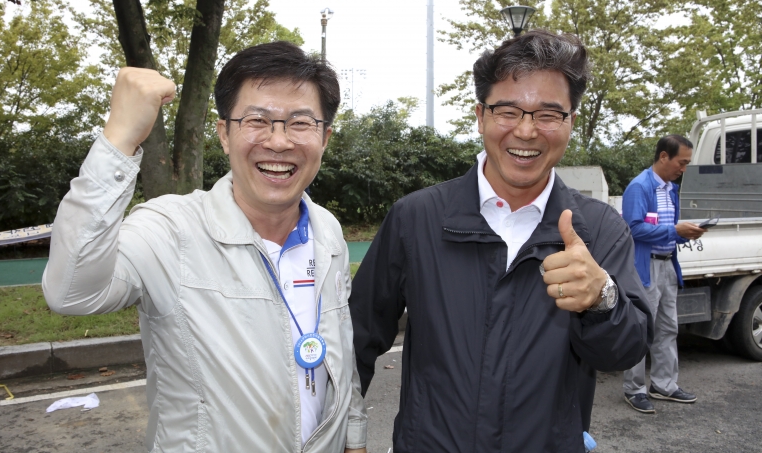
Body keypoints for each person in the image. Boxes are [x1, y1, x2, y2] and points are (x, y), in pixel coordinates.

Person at [43, 41, 367, 452]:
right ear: (224, 135)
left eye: (300, 123)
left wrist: (354, 437)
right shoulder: (168, 230)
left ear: (325, 138)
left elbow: (339, 348)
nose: (279, 142)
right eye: (257, 120)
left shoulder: (328, 231)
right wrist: (119, 140)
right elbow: (71, 291)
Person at [350, 30, 653, 452]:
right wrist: (346, 432)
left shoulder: (599, 229)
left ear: (570, 122)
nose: (526, 131)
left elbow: (626, 350)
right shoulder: (416, 218)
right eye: (507, 111)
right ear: (480, 116)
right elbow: (357, 338)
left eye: (548, 114)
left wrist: (602, 299)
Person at [621, 135, 704, 414]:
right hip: (646, 267)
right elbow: (633, 229)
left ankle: (664, 385)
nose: (683, 168)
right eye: (682, 162)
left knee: (668, 328)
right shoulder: (640, 187)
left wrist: (685, 234)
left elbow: (668, 228)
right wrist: (675, 231)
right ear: (664, 157)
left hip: (668, 264)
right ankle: (634, 389)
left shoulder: (670, 189)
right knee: (642, 328)